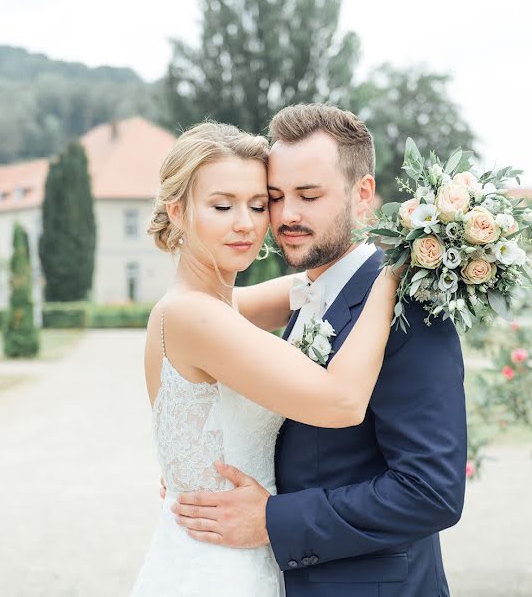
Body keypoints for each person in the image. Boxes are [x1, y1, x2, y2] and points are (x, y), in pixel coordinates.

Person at [171, 104, 468, 597]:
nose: (287, 215)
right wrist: (197, 468)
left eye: (309, 196)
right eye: (276, 197)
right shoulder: (303, 294)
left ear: (363, 196)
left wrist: (274, 521)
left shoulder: (404, 306)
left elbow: (430, 491)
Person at [128, 120, 399, 596]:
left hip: (239, 550)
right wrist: (394, 273)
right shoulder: (194, 316)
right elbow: (341, 402)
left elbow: (314, 286)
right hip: (218, 568)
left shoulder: (220, 306)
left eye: (259, 204)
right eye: (221, 205)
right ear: (178, 210)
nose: (246, 224)